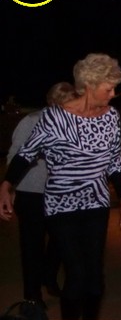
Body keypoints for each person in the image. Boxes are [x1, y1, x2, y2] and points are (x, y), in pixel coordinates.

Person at [0, 53, 121, 320]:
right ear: (90, 85)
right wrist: (6, 185)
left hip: (96, 203)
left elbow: (114, 161)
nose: (113, 94)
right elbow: (25, 154)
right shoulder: (54, 118)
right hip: (62, 205)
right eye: (109, 88)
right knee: (76, 275)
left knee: (95, 279)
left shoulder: (111, 117)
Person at [7, 82, 74, 305]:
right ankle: (32, 295)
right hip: (31, 192)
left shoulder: (72, 122)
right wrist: (10, 186)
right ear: (52, 102)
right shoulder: (32, 121)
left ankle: (49, 278)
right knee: (32, 245)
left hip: (60, 192)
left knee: (59, 240)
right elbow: (14, 156)